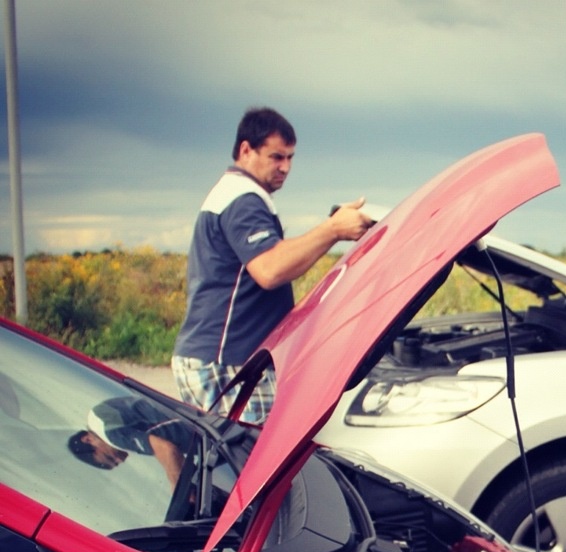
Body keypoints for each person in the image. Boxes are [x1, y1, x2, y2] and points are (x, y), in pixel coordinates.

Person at [172, 106, 371, 422]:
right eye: (276, 157)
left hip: (223, 359)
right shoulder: (242, 200)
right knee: (253, 463)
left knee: (232, 458)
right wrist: (334, 229)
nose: (286, 167)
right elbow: (270, 269)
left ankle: (166, 435)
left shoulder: (238, 194)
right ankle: (160, 431)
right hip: (226, 363)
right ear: (246, 150)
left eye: (290, 157)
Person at [68, 396, 193, 489]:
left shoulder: (109, 433)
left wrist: (179, 490)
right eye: (116, 463)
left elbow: (167, 450)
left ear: (88, 439)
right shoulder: (100, 416)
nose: (120, 460)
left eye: (110, 458)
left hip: (198, 426)